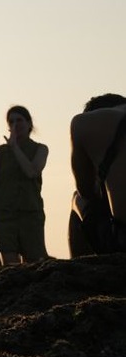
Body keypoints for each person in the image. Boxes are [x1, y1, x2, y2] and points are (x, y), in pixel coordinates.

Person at [0, 106, 49, 265]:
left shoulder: (40, 149)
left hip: (31, 214)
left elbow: (31, 171)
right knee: (10, 268)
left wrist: (15, 148)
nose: (15, 124)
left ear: (29, 123)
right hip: (4, 215)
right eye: (11, 121)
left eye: (19, 120)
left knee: (33, 265)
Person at [70, 93, 126, 256]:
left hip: (121, 242)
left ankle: (78, 268)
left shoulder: (84, 123)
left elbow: (86, 191)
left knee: (77, 199)